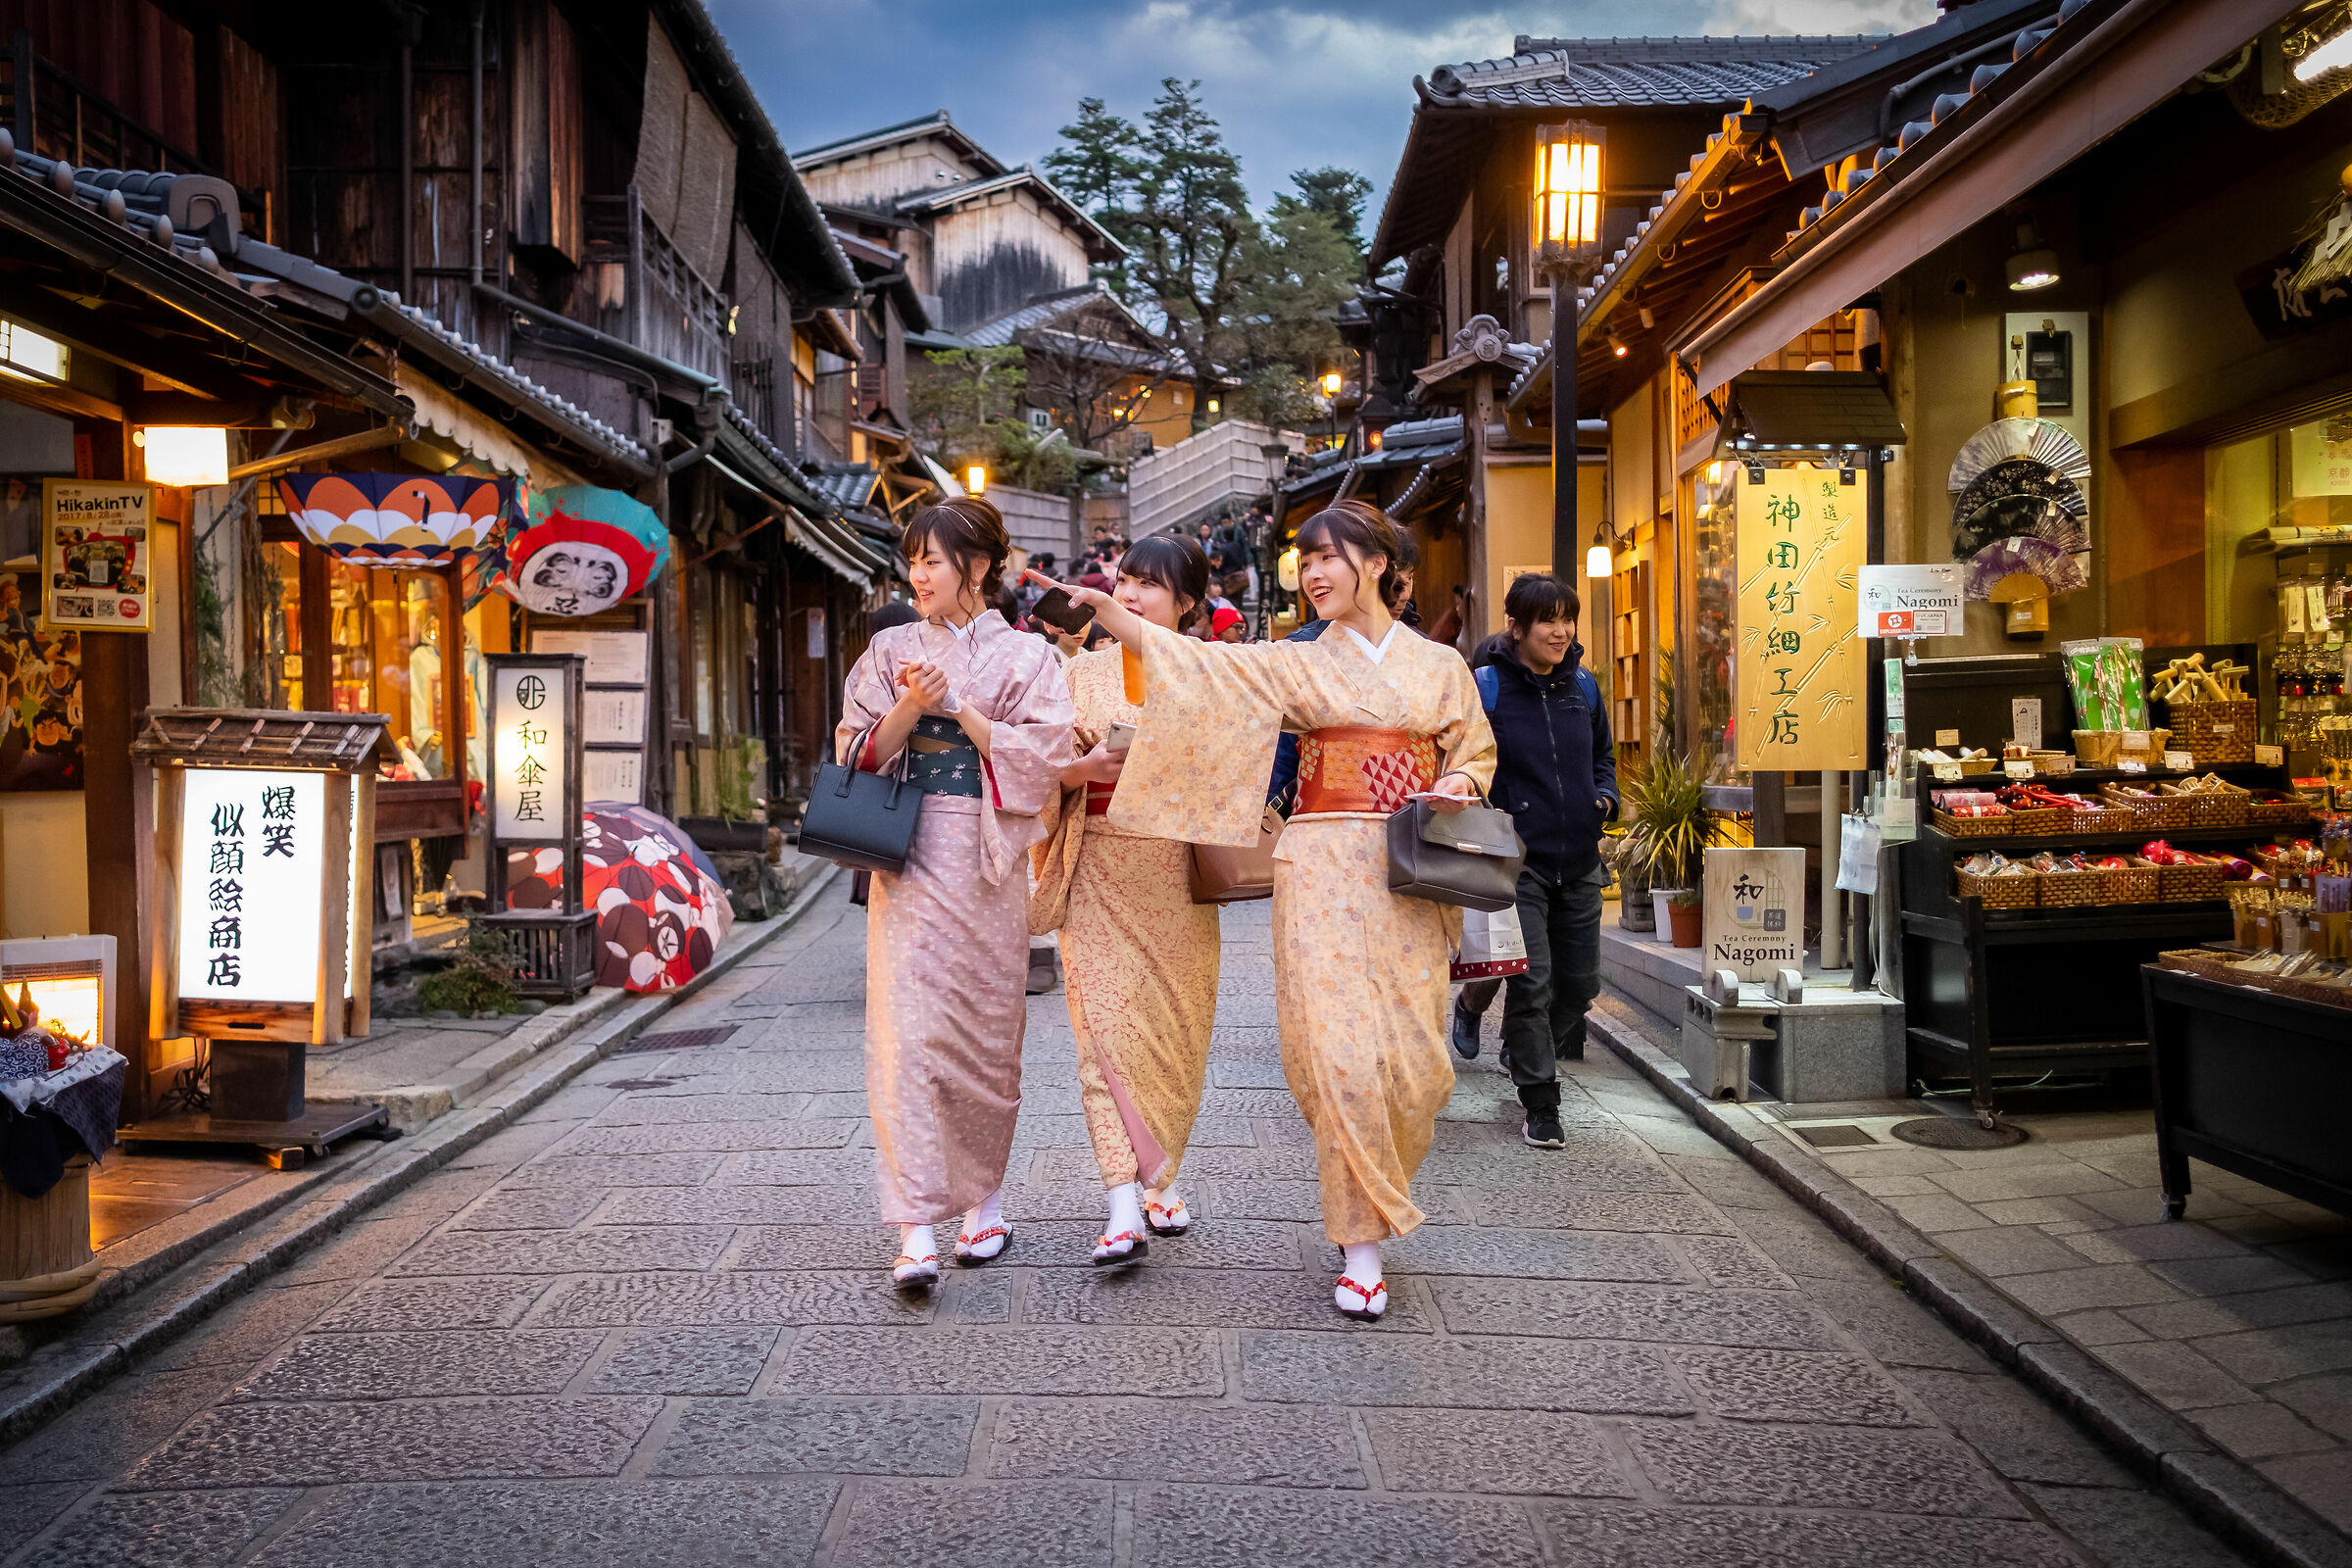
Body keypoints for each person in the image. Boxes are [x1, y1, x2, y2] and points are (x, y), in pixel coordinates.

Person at [1032, 498, 1494, 1322]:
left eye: (1329, 558)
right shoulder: (1294, 661)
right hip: (1320, 866)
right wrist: (1121, 620)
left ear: (1378, 565)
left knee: (1415, 1066)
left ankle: (1371, 1199)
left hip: (1410, 871)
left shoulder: (1440, 668)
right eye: (1303, 561)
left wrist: (1460, 780)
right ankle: (1360, 1248)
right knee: (1340, 1056)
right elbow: (1211, 674)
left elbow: (1475, 750)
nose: (1312, 574)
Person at [835, 497, 1076, 1288]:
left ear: (977, 567)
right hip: (907, 855)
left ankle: (985, 1201)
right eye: (913, 561)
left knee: (983, 1032)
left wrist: (957, 705)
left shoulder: (1029, 657)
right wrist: (910, 702)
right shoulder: (888, 649)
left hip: (985, 858)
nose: (918, 575)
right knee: (907, 1035)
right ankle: (914, 1227)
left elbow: (1040, 761)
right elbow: (859, 758)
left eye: (932, 560)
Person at [1031, 534, 1221, 1264]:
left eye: (1150, 585)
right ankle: (1120, 1204)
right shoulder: (1081, 675)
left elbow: (1236, 770)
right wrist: (1081, 769)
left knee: (1174, 1035)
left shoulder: (1208, 672)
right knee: (1103, 1033)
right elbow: (1045, 768)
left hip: (1177, 872)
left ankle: (1161, 1173)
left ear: (1187, 603)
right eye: (1126, 580)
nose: (1132, 594)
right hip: (1102, 863)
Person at [1449, 573, 1616, 1150]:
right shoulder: (1487, 688)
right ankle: (1540, 1102)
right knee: (1533, 984)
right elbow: (1465, 756)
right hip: (1517, 862)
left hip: (1581, 860)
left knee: (1581, 986)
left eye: (1567, 619)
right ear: (1517, 628)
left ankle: (1515, 1043)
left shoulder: (1583, 688)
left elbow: (1604, 758)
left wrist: (1605, 797)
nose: (1562, 630)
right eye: (1548, 620)